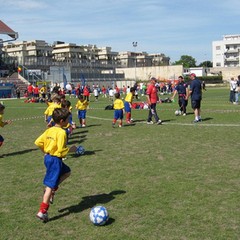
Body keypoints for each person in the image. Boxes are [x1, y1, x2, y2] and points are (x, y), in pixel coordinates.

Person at [35, 108, 78, 222]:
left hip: (48, 158)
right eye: (68, 119)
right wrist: (72, 149)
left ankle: (52, 189)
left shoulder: (49, 130)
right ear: (63, 121)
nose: (69, 121)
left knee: (67, 172)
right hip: (55, 160)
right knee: (49, 185)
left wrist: (45, 151)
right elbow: (61, 150)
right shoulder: (62, 132)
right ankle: (42, 211)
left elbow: (38, 142)